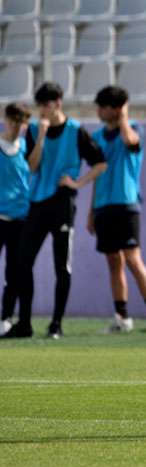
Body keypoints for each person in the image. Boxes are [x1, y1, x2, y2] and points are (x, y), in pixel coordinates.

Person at [5, 82, 107, 339]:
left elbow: (100, 163)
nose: (42, 110)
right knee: (22, 262)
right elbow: (32, 167)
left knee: (62, 266)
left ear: (58, 103)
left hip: (62, 204)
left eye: (46, 105)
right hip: (37, 203)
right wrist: (40, 137)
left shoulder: (76, 131)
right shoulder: (35, 131)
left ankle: (56, 324)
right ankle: (24, 324)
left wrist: (77, 183)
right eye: (39, 106)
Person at [90, 85, 146, 335]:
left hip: (126, 204)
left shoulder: (134, 128)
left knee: (133, 259)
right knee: (113, 261)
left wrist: (123, 117)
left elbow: (130, 142)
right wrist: (91, 211)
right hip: (103, 206)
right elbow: (96, 174)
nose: (98, 112)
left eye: (102, 107)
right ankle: (121, 316)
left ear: (115, 108)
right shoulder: (97, 137)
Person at [0, 103, 32, 337]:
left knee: (14, 272)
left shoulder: (27, 148)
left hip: (21, 220)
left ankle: (6, 317)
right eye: (13, 120)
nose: (15, 126)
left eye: (20, 122)